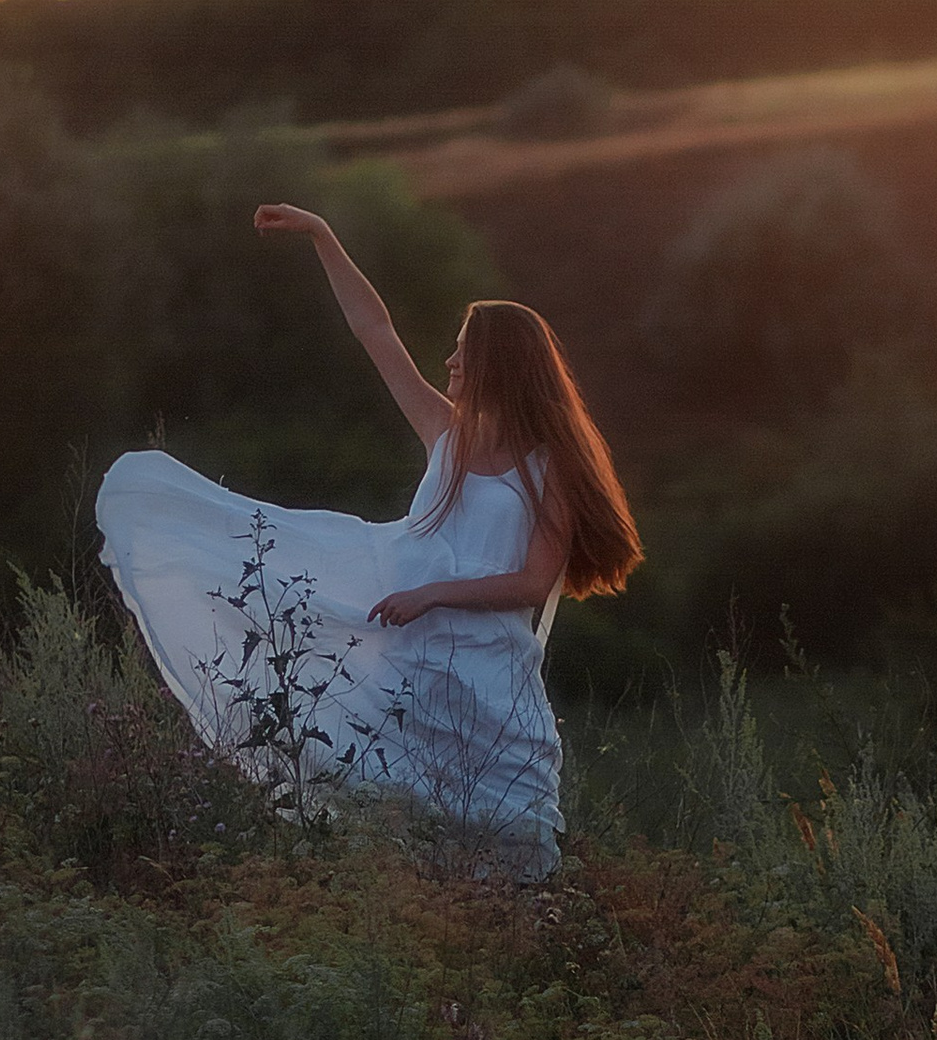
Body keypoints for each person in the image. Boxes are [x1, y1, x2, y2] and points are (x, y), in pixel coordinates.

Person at [95, 205, 640, 873]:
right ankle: (429, 940)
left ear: (497, 365)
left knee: (516, 837)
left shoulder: (547, 467)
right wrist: (323, 234)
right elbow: (374, 330)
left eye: (463, 352)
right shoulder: (447, 437)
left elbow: (531, 582)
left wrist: (433, 594)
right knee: (411, 826)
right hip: (417, 664)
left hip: (493, 675)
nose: (450, 362)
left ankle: (521, 947)